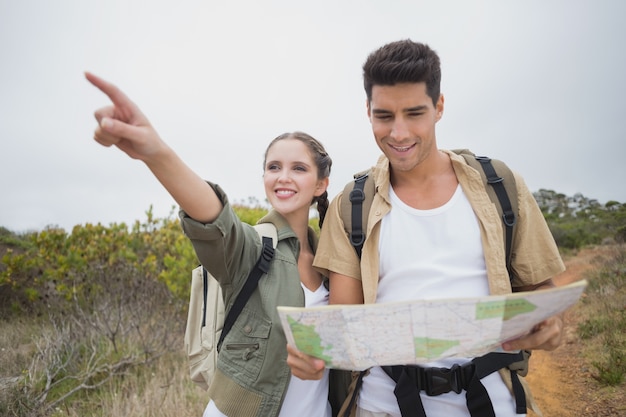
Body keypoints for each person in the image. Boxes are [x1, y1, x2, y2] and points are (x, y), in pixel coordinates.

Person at [286, 40, 566, 417]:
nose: (399, 133)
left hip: (491, 402)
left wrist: (549, 327)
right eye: (384, 116)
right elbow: (345, 327)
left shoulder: (499, 185)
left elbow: (543, 297)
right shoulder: (351, 205)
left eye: (414, 113)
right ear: (368, 111)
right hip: (384, 405)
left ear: (439, 107)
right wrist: (314, 354)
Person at [85, 72, 339, 417]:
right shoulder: (253, 247)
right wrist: (156, 153)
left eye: (298, 168)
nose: (283, 177)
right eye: (273, 166)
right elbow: (213, 217)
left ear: (321, 184)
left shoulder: (332, 261)